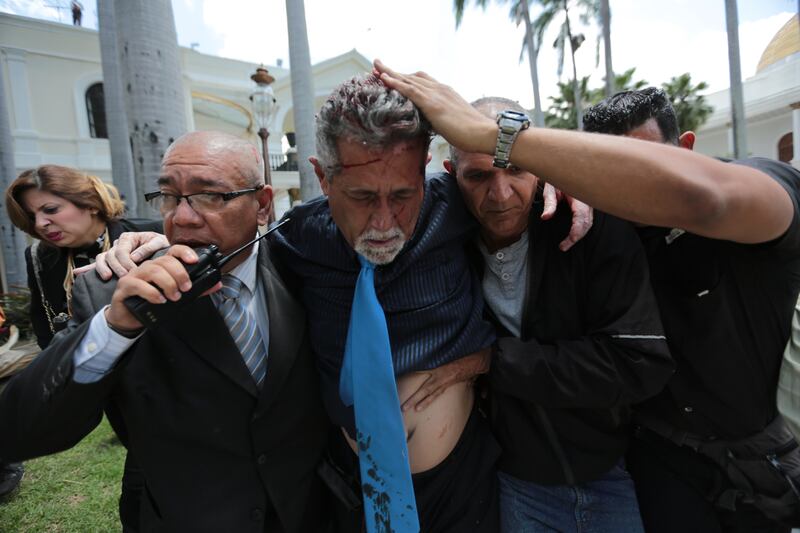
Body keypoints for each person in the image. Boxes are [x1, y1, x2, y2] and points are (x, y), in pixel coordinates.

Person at [375, 61, 800, 532]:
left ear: (686, 150)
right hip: (650, 465)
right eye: (613, 172)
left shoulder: (752, 197)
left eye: (645, 166)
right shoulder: (579, 219)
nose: (631, 186)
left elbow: (705, 200)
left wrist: (511, 143)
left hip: (753, 470)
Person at [0, 131, 331, 532]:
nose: (183, 217)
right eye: (170, 197)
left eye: (211, 196)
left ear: (262, 205)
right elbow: (19, 432)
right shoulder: (112, 290)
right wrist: (115, 327)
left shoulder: (305, 260)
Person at [444, 96, 672, 532]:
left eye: (515, 168)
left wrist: (494, 360)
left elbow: (639, 363)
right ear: (453, 177)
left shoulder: (588, 224)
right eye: (479, 176)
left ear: (539, 165)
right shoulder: (443, 237)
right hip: (515, 483)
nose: (501, 193)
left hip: (611, 475)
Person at [2, 165, 159, 521]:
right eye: (31, 216)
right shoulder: (40, 258)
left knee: (142, 487)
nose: (40, 223)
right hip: (95, 379)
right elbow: (44, 321)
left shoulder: (147, 235)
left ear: (89, 203)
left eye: (50, 209)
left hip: (156, 379)